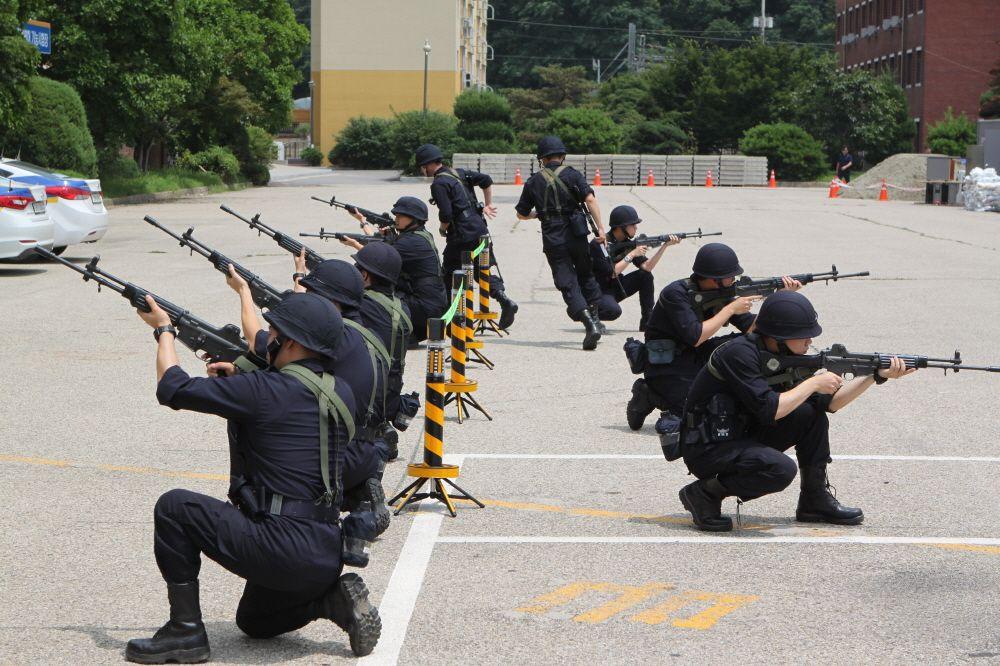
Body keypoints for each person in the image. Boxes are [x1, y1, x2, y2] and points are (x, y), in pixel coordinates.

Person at [126, 292, 381, 663]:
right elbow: (289, 401)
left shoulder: (264, 390)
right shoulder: (339, 390)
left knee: (174, 507)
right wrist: (241, 377)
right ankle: (330, 599)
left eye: (274, 332)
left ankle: (184, 632)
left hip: (279, 545)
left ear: (291, 342)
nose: (269, 337)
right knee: (254, 621)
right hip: (326, 549)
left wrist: (164, 331)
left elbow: (172, 387)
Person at [677, 291, 915, 531]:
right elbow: (771, 409)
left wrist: (875, 376)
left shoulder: (783, 355)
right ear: (779, 335)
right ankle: (705, 494)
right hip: (707, 447)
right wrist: (812, 383)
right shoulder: (738, 354)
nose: (810, 341)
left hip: (739, 435)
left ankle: (814, 499)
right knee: (780, 469)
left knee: (811, 415)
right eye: (803, 335)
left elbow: (831, 404)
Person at [627, 243, 774, 431]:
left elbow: (752, 331)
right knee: (696, 414)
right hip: (666, 366)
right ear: (715, 279)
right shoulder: (675, 294)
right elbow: (695, 336)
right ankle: (648, 394)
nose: (734, 281)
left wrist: (776, 300)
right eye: (731, 277)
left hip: (695, 358)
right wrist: (730, 309)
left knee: (749, 345)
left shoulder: (721, 293)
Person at [515, 135, 607, 350]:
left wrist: (537, 215)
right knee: (585, 273)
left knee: (566, 281)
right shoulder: (573, 175)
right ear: (562, 156)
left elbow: (521, 214)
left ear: (542, 159)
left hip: (553, 237)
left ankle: (587, 323)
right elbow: (590, 199)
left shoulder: (533, 181)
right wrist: (600, 227)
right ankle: (595, 317)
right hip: (576, 233)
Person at [415, 143, 518, 330]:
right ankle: (504, 300)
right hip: (479, 228)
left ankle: (447, 317)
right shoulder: (459, 173)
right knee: (484, 268)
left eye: (422, 166)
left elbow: (446, 214)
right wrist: (487, 204)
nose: (422, 170)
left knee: (450, 272)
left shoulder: (438, 183)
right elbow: (486, 180)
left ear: (428, 164)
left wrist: (442, 228)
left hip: (462, 234)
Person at [335, 241, 413, 462]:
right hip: (392, 386)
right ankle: (381, 430)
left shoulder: (364, 305)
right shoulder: (400, 305)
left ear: (366, 276)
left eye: (357, 269)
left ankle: (375, 437)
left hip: (370, 394)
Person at [351, 196, 447, 345]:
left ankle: (383, 332)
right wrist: (364, 223)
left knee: (375, 293)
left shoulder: (412, 242)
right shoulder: (420, 235)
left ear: (414, 218)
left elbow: (377, 260)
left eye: (400, 216)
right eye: (396, 215)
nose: (396, 218)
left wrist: (355, 245)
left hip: (423, 311)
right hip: (429, 306)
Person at [586, 204, 679, 331]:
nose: (636, 228)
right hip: (598, 291)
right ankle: (589, 314)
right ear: (621, 227)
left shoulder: (628, 243)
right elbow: (612, 273)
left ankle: (647, 321)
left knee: (645, 276)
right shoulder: (599, 244)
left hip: (615, 286)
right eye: (633, 225)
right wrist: (632, 254)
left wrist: (665, 246)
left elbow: (647, 267)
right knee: (613, 311)